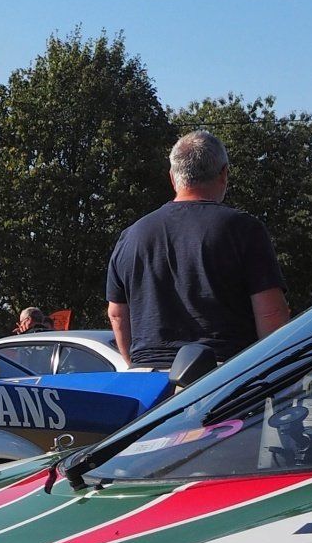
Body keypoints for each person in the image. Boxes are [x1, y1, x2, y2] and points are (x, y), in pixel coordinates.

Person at [105, 130, 290, 369]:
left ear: (173, 177)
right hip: (224, 375)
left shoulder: (131, 236)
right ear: (224, 174)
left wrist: (136, 365)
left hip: (149, 378)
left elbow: (117, 314)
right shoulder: (243, 229)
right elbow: (271, 314)